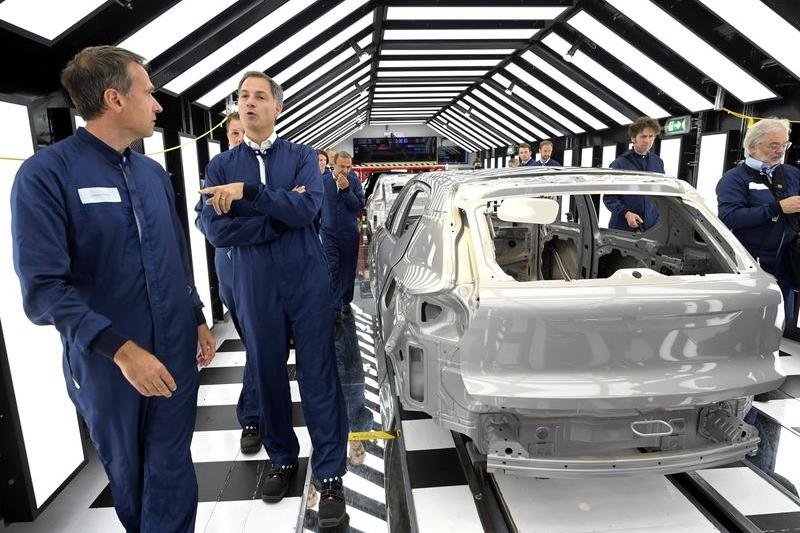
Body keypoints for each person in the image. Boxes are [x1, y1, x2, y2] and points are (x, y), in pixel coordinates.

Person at [11, 45, 216, 532]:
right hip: (108, 366)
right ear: (115, 99)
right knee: (132, 477)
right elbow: (43, 290)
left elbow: (175, 258)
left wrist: (196, 318)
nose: (158, 105)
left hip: (174, 350)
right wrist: (121, 351)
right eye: (149, 92)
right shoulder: (46, 176)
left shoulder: (151, 174)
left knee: (172, 469)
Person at [198, 71, 348, 528]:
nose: (250, 103)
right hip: (255, 285)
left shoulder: (302, 157)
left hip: (306, 282)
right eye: (244, 96)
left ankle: (330, 473)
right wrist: (275, 217)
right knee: (266, 374)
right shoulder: (221, 166)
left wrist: (250, 195)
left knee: (319, 376)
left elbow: (306, 209)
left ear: (277, 107)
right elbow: (214, 229)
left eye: (260, 96)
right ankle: (282, 458)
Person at [196, 112, 261, 455]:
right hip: (231, 276)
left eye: (244, 132)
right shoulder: (217, 171)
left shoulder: (265, 172)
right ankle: (255, 411)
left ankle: (254, 414)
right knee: (255, 343)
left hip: (265, 276)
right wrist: (261, 228)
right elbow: (208, 226)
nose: (239, 139)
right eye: (235, 133)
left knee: (260, 344)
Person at [717, 117, 799, 323]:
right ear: (753, 147)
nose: (780, 151)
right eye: (774, 145)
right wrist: (776, 208)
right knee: (751, 322)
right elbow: (729, 218)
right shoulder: (734, 178)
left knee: (782, 319)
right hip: (752, 263)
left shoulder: (791, 174)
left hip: (786, 261)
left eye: (784, 145)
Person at [320, 151, 370, 465]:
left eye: (349, 167)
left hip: (349, 234)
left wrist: (347, 188)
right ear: (333, 164)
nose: (345, 170)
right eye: (342, 166)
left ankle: (344, 302)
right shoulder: (322, 181)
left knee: (348, 271)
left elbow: (358, 207)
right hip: (328, 234)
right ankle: (336, 304)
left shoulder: (353, 182)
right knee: (331, 271)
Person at [603, 116, 664, 231]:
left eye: (651, 136)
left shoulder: (658, 162)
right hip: (623, 227)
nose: (647, 140)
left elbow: (661, 193)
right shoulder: (619, 164)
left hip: (651, 227)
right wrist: (626, 213)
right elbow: (609, 198)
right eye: (643, 136)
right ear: (633, 138)